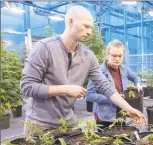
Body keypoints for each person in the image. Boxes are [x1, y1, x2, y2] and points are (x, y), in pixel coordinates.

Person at [20, 6, 146, 135]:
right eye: (86, 26)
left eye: (91, 27)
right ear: (70, 22)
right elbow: (27, 87)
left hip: (68, 122)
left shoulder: (88, 55)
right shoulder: (44, 48)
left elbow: (105, 86)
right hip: (40, 124)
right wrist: (66, 89)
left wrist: (128, 108)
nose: (90, 32)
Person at [86, 39, 142, 127]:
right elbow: (89, 95)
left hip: (121, 112)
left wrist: (137, 83)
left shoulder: (124, 69)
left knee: (121, 137)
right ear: (107, 54)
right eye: (114, 55)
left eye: (120, 56)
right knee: (106, 139)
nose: (117, 59)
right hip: (104, 116)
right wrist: (111, 98)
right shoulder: (98, 72)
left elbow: (135, 77)